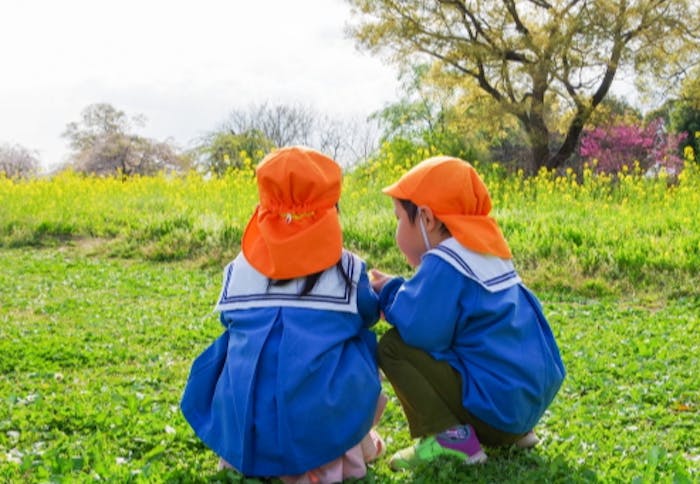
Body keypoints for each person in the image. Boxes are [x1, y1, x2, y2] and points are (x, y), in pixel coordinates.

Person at [181, 146, 385, 483]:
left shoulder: (240, 267)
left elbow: (230, 322)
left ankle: (250, 451)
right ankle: (348, 446)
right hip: (318, 425)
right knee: (360, 342)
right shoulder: (348, 269)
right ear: (331, 210)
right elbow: (367, 313)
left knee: (234, 345)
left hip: (245, 428)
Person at [370, 156, 566, 470]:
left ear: (426, 219)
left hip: (496, 415)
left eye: (397, 218)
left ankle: (450, 440)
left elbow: (420, 329)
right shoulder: (487, 251)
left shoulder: (446, 261)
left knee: (393, 346)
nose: (396, 229)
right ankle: (518, 435)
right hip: (524, 408)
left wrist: (390, 294)